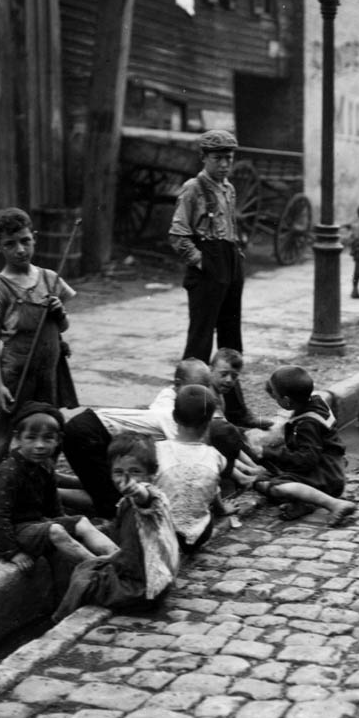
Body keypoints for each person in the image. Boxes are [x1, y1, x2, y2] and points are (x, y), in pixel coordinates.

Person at [62, 359, 252, 517]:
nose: (202, 393)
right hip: (87, 433)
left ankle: (60, 482)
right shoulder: (172, 416)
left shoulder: (182, 410)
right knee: (116, 504)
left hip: (96, 431)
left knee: (112, 486)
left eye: (205, 387)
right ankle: (54, 494)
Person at [0, 207, 77, 502]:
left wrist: (60, 312)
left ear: (34, 238)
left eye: (24, 241)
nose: (20, 250)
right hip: (14, 375)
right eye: (10, 244)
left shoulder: (49, 278)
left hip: (48, 372)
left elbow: (63, 326)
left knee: (45, 434)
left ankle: (40, 498)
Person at [52, 433, 182, 621]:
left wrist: (138, 490)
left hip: (142, 589)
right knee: (90, 565)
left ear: (152, 475)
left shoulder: (152, 500)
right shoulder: (125, 503)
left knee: (84, 579)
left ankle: (60, 620)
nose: (125, 479)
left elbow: (145, 499)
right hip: (143, 577)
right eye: (118, 472)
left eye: (135, 472)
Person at [0, 402, 118, 572]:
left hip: (38, 524)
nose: (40, 445)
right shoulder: (8, 472)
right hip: (17, 531)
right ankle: (102, 569)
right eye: (31, 438)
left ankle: (120, 559)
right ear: (18, 438)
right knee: (56, 530)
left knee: (81, 521)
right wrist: (12, 552)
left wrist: (67, 523)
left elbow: (53, 502)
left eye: (48, 438)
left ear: (58, 440)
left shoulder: (45, 465)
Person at [169, 129, 244, 363]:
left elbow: (230, 225)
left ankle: (229, 394)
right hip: (208, 267)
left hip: (230, 263)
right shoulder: (193, 188)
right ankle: (192, 393)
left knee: (231, 333)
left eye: (228, 159)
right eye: (217, 159)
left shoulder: (229, 188)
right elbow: (177, 234)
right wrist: (200, 261)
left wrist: (237, 257)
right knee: (201, 336)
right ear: (204, 158)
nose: (224, 165)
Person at [248, 365, 356, 526]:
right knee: (263, 477)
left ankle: (334, 504)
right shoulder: (315, 402)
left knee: (275, 486)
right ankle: (305, 504)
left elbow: (306, 460)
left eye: (276, 396)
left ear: (286, 401)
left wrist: (268, 452)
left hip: (327, 475)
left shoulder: (307, 424)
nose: (274, 398)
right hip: (332, 466)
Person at [154, 384, 229, 553]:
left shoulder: (157, 450)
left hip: (165, 534)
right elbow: (214, 490)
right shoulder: (215, 456)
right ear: (209, 422)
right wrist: (222, 510)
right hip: (200, 534)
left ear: (174, 416)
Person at [211, 347, 274, 430]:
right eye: (224, 374)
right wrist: (245, 432)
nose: (229, 380)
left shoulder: (216, 390)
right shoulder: (209, 397)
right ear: (210, 370)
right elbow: (219, 429)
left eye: (234, 376)